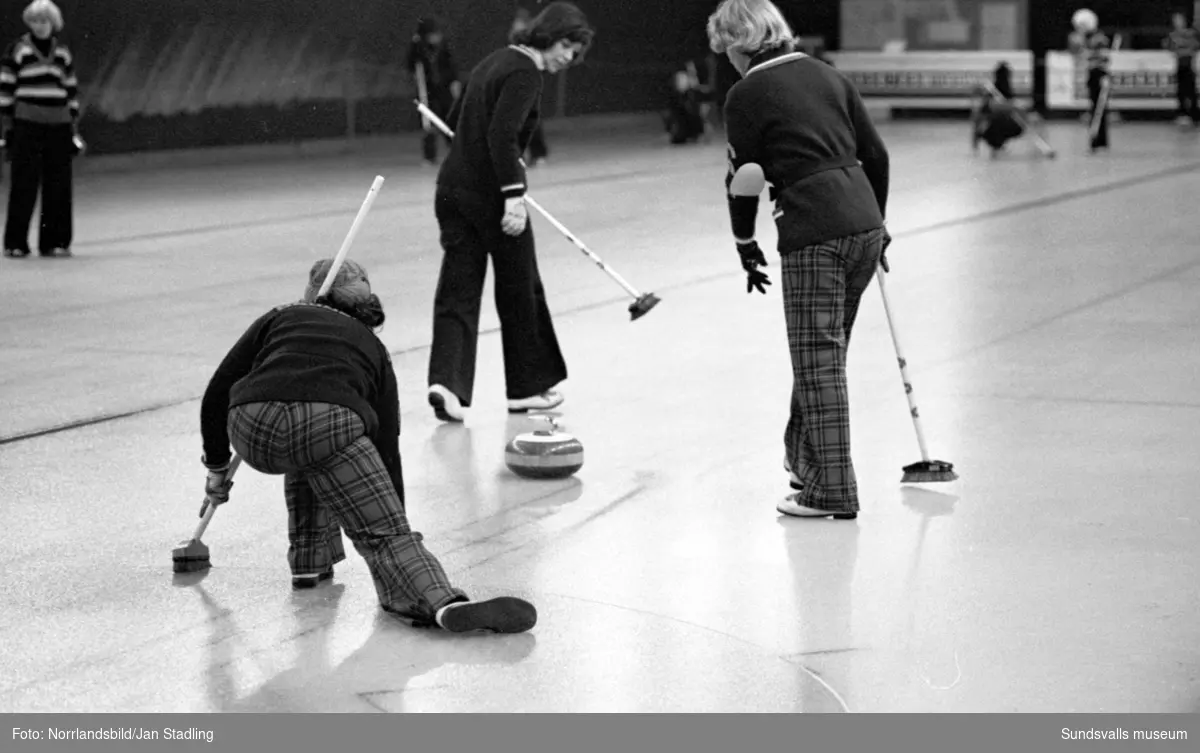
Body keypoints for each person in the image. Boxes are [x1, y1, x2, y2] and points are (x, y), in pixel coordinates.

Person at [198, 258, 537, 634]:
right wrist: (391, 517)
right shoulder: (373, 348)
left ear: (312, 293)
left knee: (307, 455)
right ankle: (440, 603)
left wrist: (216, 467)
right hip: (328, 424)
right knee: (360, 502)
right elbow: (385, 444)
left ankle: (309, 562)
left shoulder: (281, 316)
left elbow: (217, 391)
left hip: (251, 423)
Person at [707, 0, 890, 520]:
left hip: (814, 231)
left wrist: (745, 242)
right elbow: (876, 156)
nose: (729, 64)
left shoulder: (746, 93)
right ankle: (804, 459)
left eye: (727, 53)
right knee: (825, 354)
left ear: (740, 44)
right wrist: (880, 226)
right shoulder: (828, 75)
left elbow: (744, 180)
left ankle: (832, 490)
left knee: (818, 364)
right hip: (863, 225)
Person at [426, 2, 593, 423]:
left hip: (451, 192)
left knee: (458, 290)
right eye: (568, 47)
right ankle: (527, 387)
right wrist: (514, 195)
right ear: (553, 37)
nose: (568, 58)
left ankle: (446, 384)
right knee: (521, 287)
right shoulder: (525, 72)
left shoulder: (495, 60)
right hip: (492, 197)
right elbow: (503, 135)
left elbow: (453, 118)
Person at [1, 0, 80, 258]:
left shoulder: (62, 53)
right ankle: (16, 243)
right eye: (35, 21)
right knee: (24, 184)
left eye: (44, 21)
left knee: (58, 186)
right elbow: (5, 89)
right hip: (27, 125)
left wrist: (73, 128)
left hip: (58, 126)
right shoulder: (18, 50)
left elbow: (71, 91)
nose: (40, 26)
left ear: (53, 23)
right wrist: (7, 128)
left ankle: (54, 242)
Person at [407, 16, 461, 166]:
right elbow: (411, 65)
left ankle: (456, 151)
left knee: (449, 119)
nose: (436, 38)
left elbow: (452, 66)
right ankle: (429, 156)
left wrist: (454, 82)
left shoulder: (444, 46)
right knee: (428, 123)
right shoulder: (418, 47)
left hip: (444, 89)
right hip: (427, 91)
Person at [509, 7, 550, 165]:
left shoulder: (534, 43)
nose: (516, 27)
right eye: (515, 25)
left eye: (519, 25)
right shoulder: (512, 43)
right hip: (515, 85)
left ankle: (538, 153)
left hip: (530, 84)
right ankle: (519, 156)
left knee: (531, 119)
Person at [1068, 8, 1111, 152]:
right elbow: (1076, 51)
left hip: (1100, 74)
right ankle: (1098, 140)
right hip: (1091, 75)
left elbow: (1102, 57)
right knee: (1094, 108)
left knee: (1100, 109)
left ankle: (1099, 140)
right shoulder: (1082, 39)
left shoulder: (1099, 38)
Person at [970, 62, 1026, 156]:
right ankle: (996, 145)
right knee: (994, 122)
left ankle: (997, 145)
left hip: (1001, 126)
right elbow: (979, 119)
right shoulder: (993, 95)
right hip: (991, 127)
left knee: (999, 121)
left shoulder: (1004, 95)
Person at [1163, 11, 1200, 127]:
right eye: (1175, 20)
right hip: (1180, 65)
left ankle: (1194, 114)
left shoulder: (1191, 33)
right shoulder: (1173, 35)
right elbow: (1168, 46)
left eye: (1179, 20)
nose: (1178, 22)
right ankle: (1182, 113)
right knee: (1180, 91)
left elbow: (1194, 46)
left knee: (1191, 91)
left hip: (1189, 65)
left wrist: (1183, 46)